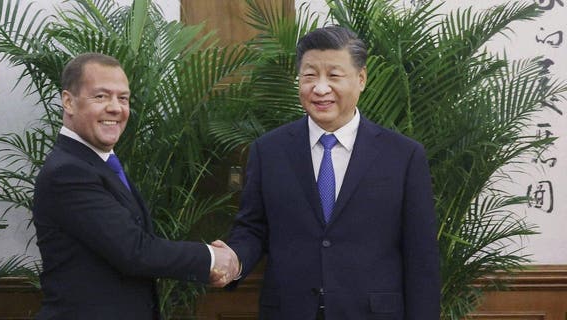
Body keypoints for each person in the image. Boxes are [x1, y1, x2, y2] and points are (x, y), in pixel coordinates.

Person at [223, 26, 440, 319]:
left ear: (361, 79)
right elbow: (253, 228)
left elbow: (421, 257)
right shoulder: (269, 150)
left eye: (334, 76)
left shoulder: (403, 156)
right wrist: (233, 260)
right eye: (310, 76)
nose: (320, 88)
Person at [32, 53, 239, 320]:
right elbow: (134, 251)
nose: (116, 108)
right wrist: (210, 258)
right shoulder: (68, 171)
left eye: (123, 98)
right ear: (68, 102)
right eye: (101, 96)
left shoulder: (99, 163)